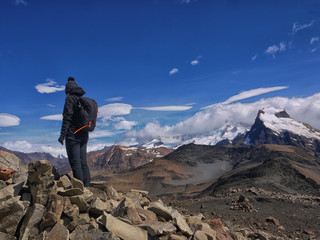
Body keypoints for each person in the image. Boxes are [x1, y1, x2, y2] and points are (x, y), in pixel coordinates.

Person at [58, 77, 91, 187]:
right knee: (83, 162)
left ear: (67, 91)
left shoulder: (70, 99)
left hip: (73, 135)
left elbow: (67, 118)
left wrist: (62, 135)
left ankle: (80, 190)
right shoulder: (83, 100)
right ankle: (87, 188)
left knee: (75, 163)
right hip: (84, 134)